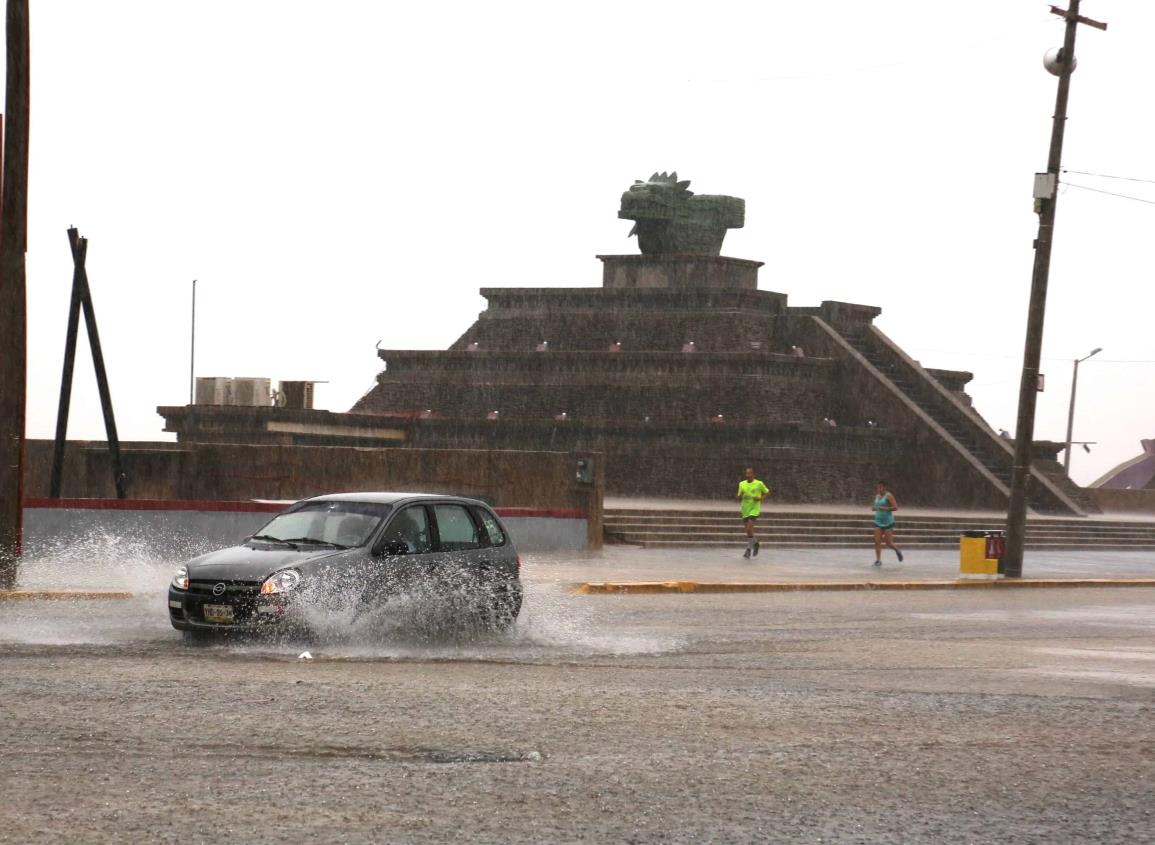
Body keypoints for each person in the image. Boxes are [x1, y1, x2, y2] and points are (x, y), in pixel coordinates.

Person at [736, 467, 770, 559]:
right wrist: (740, 495)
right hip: (745, 508)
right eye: (746, 473)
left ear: (753, 474)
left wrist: (761, 498)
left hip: (754, 508)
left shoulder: (759, 483)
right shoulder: (741, 484)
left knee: (750, 527)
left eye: (749, 473)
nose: (748, 475)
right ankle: (756, 543)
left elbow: (767, 492)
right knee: (748, 530)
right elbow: (738, 497)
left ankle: (748, 549)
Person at [871, 481, 904, 566]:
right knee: (877, 541)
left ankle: (897, 550)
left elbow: (895, 507)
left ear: (885, 488)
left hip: (887, 522)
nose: (879, 489)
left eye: (881, 487)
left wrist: (885, 509)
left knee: (888, 542)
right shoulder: (877, 496)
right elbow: (875, 507)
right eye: (878, 488)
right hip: (878, 521)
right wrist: (874, 508)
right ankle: (878, 560)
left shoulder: (889, 495)